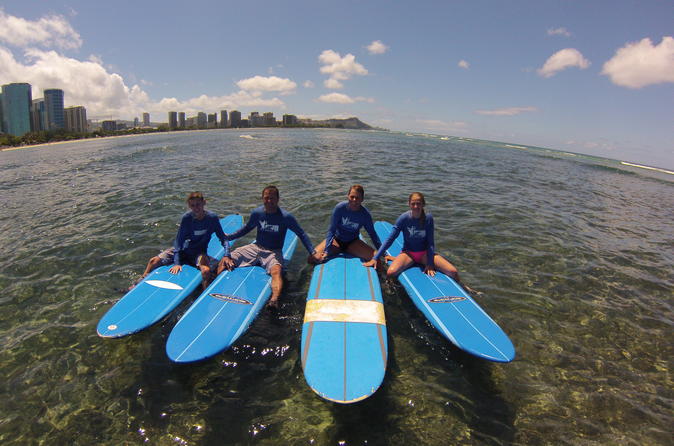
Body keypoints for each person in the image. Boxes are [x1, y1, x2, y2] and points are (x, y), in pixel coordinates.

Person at [218, 185, 321, 308]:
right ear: (262, 199)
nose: (269, 201)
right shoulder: (257, 213)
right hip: (256, 247)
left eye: (272, 198)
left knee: (277, 271)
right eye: (266, 198)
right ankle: (214, 286)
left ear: (278, 199)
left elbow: (301, 233)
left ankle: (274, 299)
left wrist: (312, 252)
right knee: (226, 260)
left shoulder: (285, 217)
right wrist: (229, 237)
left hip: (273, 252)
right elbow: (246, 229)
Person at [138, 191, 228, 289]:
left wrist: (227, 255)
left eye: (198, 204)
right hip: (182, 250)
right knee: (153, 261)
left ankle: (204, 292)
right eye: (193, 205)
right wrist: (177, 263)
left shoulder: (212, 218)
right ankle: (138, 283)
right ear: (189, 206)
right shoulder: (187, 218)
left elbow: (223, 238)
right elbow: (178, 242)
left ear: (204, 203)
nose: (196, 208)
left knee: (206, 271)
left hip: (198, 253)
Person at [364, 192, 462, 282]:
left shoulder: (428, 218)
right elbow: (390, 239)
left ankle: (464, 288)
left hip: (424, 254)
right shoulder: (404, 218)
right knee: (390, 272)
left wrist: (430, 264)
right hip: (408, 254)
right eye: (413, 203)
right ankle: (389, 286)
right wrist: (375, 258)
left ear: (423, 204)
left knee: (453, 271)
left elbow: (430, 243)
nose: (416, 206)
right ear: (409, 204)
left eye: (418, 203)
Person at [309, 184, 383, 264]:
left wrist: (384, 253)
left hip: (352, 243)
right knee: (312, 258)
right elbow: (332, 230)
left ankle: (382, 275)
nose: (354, 200)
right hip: (336, 241)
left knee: (377, 259)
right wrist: (327, 250)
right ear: (348, 196)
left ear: (362, 199)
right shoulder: (340, 208)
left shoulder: (365, 214)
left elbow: (372, 234)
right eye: (352, 197)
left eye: (357, 198)